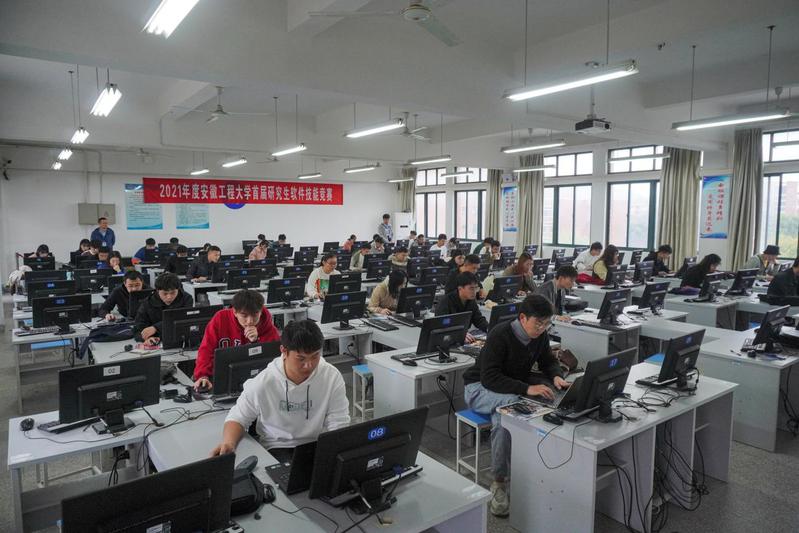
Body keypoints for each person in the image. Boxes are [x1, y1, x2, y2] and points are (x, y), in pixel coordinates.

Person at [463, 295, 568, 517]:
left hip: (510, 387)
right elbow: (489, 378)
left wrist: (556, 376)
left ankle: (534, 470)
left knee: (550, 396)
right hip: (478, 389)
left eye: (546, 323)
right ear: (522, 318)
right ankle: (499, 482)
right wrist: (526, 389)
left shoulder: (540, 335)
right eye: (538, 323)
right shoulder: (500, 334)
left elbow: (548, 361)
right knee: (509, 411)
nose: (542, 328)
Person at [210, 319, 350, 454]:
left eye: (315, 356)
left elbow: (338, 421)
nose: (309, 365)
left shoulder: (331, 376)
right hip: (277, 447)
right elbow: (237, 417)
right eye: (301, 358)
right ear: (284, 350)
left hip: (316, 445)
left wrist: (334, 453)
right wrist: (229, 443)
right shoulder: (264, 382)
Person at [193, 289, 281, 391]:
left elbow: (275, 360)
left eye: (255, 315)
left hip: (258, 382)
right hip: (223, 378)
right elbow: (206, 350)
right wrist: (203, 375)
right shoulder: (220, 319)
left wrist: (255, 342)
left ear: (261, 311)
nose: (250, 321)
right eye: (244, 315)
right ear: (235, 312)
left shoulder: (269, 329)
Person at [133, 272, 194, 345]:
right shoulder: (147, 303)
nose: (169, 297)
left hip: (181, 340)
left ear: (178, 289)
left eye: (173, 293)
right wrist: (147, 338)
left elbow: (183, 319)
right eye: (165, 293)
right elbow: (137, 327)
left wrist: (156, 328)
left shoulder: (186, 299)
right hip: (157, 343)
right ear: (157, 291)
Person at [435, 272, 489, 341]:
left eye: (476, 288)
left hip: (463, 337)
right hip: (446, 338)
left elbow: (478, 320)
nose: (474, 292)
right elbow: (441, 325)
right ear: (460, 288)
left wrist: (489, 328)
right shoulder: (445, 302)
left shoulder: (471, 300)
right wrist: (460, 333)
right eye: (471, 288)